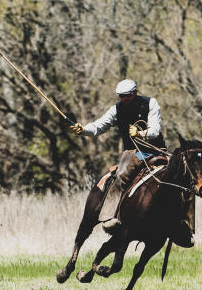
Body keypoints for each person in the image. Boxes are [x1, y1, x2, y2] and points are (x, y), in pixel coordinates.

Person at [69, 79, 195, 246]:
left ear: (135, 93)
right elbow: (99, 126)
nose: (123, 99)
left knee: (187, 177)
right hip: (134, 153)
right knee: (121, 173)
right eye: (121, 96)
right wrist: (84, 130)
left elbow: (156, 129)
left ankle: (185, 225)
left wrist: (141, 133)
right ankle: (116, 217)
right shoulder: (116, 109)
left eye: (126, 96)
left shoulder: (151, 103)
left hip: (158, 151)